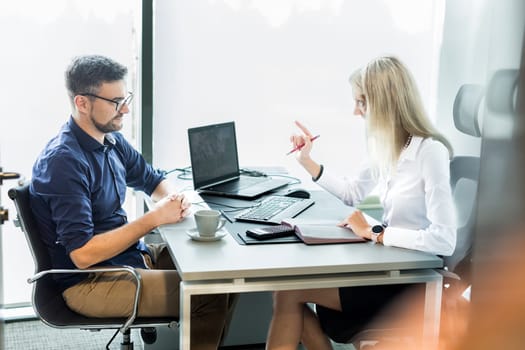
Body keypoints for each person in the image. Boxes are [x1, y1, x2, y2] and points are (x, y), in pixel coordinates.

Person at [30, 55, 233, 349]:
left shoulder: (110, 138)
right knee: (208, 293)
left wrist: (176, 200)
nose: (125, 109)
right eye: (115, 102)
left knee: (223, 274)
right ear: (82, 103)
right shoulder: (64, 162)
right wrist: (155, 218)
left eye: (126, 98)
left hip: (127, 257)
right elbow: (83, 255)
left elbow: (151, 180)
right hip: (89, 281)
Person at [265, 56, 457, 349]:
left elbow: (444, 241)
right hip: (387, 268)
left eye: (362, 102)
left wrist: (377, 232)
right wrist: (307, 161)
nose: (356, 111)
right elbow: (353, 192)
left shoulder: (430, 153)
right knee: (286, 292)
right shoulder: (388, 144)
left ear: (388, 98)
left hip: (409, 282)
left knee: (288, 293)